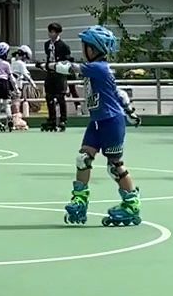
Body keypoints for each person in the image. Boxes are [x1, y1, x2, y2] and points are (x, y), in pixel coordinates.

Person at [64, 24, 142, 227]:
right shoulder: (98, 68)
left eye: (84, 46)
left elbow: (71, 68)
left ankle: (131, 204)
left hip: (110, 120)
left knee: (114, 165)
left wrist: (46, 66)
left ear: (91, 48)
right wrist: (130, 110)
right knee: (83, 159)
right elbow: (117, 92)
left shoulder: (98, 67)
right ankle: (80, 200)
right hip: (97, 121)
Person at [41, 22, 74, 132]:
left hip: (60, 74)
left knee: (60, 97)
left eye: (53, 32)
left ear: (58, 33)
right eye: (50, 32)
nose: (51, 34)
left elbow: (68, 60)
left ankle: (63, 119)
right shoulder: (47, 45)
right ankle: (52, 119)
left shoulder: (64, 46)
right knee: (49, 96)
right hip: (50, 73)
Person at [10, 45, 34, 130]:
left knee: (13, 103)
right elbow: (26, 75)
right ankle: (16, 121)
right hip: (17, 85)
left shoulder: (13, 61)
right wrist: (33, 83)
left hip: (11, 85)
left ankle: (12, 120)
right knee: (16, 102)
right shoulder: (21, 64)